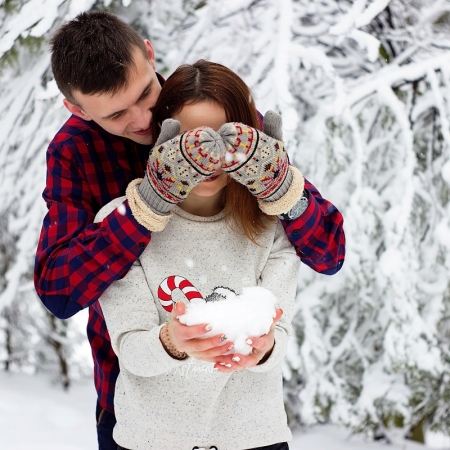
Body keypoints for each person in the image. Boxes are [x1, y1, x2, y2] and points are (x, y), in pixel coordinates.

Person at [33, 10, 345, 450]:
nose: (144, 119)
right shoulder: (75, 153)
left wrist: (282, 189)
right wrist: (146, 209)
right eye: (117, 114)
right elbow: (59, 290)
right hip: (137, 405)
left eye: (145, 93)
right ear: (77, 109)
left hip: (243, 413)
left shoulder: (204, 108)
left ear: (149, 52)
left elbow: (329, 252)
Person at [94, 59, 301, 450]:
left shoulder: (272, 225)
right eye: (192, 140)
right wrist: (173, 340)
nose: (207, 157)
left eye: (224, 140)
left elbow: (281, 337)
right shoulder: (121, 223)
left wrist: (264, 348)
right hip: (149, 441)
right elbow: (131, 349)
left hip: (255, 438)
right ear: (163, 140)